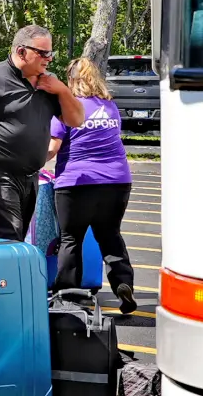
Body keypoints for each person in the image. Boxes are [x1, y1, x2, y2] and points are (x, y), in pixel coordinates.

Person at [0, 25, 85, 240]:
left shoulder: (48, 82)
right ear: (21, 52)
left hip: (30, 176)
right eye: (42, 53)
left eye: (50, 53)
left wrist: (62, 89)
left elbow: (76, 119)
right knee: (8, 235)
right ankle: (2, 274)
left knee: (20, 237)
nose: (49, 59)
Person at [47, 57, 138, 314]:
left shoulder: (67, 108)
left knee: (70, 239)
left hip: (77, 182)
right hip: (117, 181)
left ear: (71, 80)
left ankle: (69, 295)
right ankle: (123, 284)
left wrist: (27, 161)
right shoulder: (110, 106)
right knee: (110, 235)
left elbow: (52, 148)